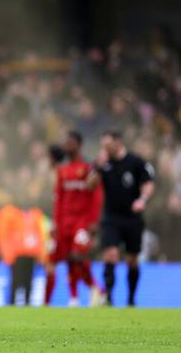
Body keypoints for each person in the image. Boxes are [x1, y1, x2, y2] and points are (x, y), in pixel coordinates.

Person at [87, 130, 154, 306]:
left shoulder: (135, 162)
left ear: (118, 142)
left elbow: (147, 183)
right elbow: (90, 185)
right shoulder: (103, 163)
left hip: (132, 218)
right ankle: (108, 296)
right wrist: (99, 167)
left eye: (108, 144)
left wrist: (142, 199)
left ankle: (131, 298)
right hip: (111, 217)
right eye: (103, 145)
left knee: (132, 259)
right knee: (111, 254)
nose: (105, 148)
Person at [44, 131, 104, 307]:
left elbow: (96, 196)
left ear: (78, 144)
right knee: (60, 259)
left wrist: (93, 221)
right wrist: (55, 222)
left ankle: (94, 289)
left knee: (77, 254)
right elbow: (59, 199)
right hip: (64, 222)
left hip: (82, 222)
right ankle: (72, 298)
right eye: (65, 143)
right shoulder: (62, 171)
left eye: (69, 143)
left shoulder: (88, 168)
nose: (66, 146)